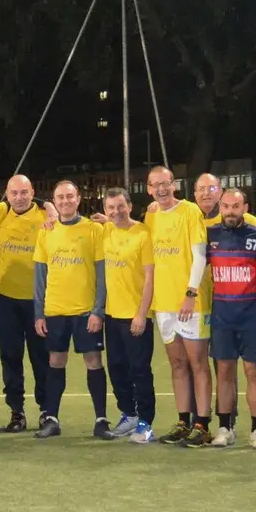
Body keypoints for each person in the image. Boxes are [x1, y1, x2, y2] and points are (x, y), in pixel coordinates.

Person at [144, 166, 214, 446]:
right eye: (154, 185)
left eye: (165, 183)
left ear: (174, 184)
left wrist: (190, 293)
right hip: (164, 304)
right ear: (149, 189)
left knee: (198, 363)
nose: (161, 189)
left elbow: (200, 256)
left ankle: (203, 423)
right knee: (176, 364)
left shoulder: (190, 211)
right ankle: (184, 421)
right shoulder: (151, 216)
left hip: (191, 303)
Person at [32, 180, 108, 439]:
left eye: (70, 196)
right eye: (60, 197)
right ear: (54, 201)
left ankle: (101, 420)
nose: (65, 201)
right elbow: (40, 276)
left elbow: (102, 272)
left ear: (78, 199)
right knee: (55, 360)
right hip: (55, 310)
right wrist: (39, 313)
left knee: (93, 361)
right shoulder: (46, 231)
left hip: (85, 310)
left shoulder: (93, 229)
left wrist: (98, 310)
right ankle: (51, 418)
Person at [0, 174, 52, 432]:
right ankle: (17, 412)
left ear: (33, 192)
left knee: (41, 357)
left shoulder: (47, 217)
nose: (20, 197)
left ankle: (47, 411)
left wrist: (49, 205)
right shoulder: (0, 216)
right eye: (14, 193)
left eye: (24, 192)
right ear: (7, 194)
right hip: (6, 298)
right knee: (11, 356)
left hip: (39, 301)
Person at [206, 189, 256, 448]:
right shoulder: (209, 235)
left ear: (246, 207)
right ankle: (224, 428)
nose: (230, 211)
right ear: (220, 207)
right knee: (224, 371)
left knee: (253, 371)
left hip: (252, 316)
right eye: (226, 206)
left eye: (236, 206)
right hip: (222, 316)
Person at [97, 188, 158, 442]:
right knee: (117, 368)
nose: (115, 212)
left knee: (140, 370)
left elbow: (149, 279)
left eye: (120, 206)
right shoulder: (106, 230)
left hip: (136, 315)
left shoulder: (143, 234)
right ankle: (129, 415)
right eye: (111, 208)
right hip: (112, 315)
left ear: (130, 206)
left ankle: (146, 422)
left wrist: (141, 314)